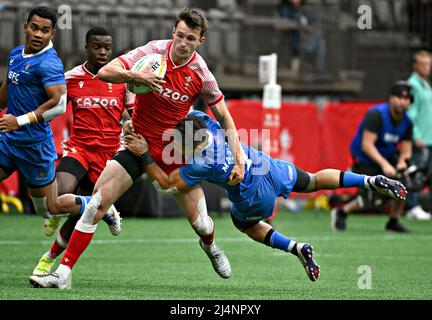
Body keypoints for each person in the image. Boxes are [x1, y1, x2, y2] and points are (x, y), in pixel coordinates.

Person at [29, 8, 244, 289]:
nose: (182, 43)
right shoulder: (153, 52)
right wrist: (137, 76)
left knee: (203, 225)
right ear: (173, 32)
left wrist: (238, 161)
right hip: (135, 143)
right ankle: (63, 274)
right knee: (96, 203)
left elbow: (225, 116)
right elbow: (106, 72)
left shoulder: (201, 74)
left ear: (200, 41)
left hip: (171, 152)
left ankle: (211, 247)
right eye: (179, 35)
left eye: (190, 39)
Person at [120, 110, 407, 282]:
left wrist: (143, 153)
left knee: (243, 224)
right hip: (268, 165)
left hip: (252, 193)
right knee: (315, 179)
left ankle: (296, 247)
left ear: (187, 145)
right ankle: (369, 180)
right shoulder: (206, 123)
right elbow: (194, 114)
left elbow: (167, 182)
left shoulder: (199, 163)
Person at [30, 27, 134, 278]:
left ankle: (48, 259)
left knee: (82, 217)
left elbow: (132, 115)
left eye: (107, 48)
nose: (102, 52)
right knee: (61, 192)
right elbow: (48, 100)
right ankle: (102, 209)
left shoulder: (121, 80)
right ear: (86, 47)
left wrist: (132, 126)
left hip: (108, 157)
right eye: (97, 46)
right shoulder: (71, 78)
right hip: (80, 149)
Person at [0, 6, 68, 220]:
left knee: (48, 210)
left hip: (34, 147)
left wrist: (18, 121)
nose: (39, 34)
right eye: (34, 28)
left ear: (52, 34)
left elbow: (59, 106)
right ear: (25, 27)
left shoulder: (49, 63)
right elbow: (6, 89)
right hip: (8, 140)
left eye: (45, 30)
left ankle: (95, 206)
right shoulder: (15, 54)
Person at [331, 81, 413, 233]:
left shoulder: (407, 122)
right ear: (391, 98)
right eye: (400, 98)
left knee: (403, 185)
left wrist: (402, 162)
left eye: (407, 99)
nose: (403, 102)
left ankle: (393, 221)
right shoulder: (377, 115)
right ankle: (342, 212)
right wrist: (385, 165)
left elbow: (406, 150)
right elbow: (367, 145)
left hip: (387, 157)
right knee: (371, 197)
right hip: (364, 157)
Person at [405, 50, 432, 220]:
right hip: (420, 139)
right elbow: (411, 113)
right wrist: (416, 136)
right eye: (422, 64)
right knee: (415, 173)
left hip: (429, 138)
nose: (426, 67)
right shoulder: (413, 85)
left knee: (427, 173)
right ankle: (412, 206)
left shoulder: (425, 83)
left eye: (428, 64)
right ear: (415, 66)